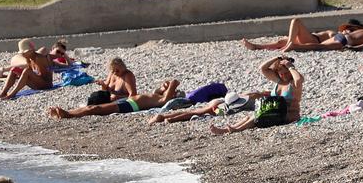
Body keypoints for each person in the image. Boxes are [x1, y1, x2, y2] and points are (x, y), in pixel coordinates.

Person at [211, 56, 304, 133]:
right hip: (276, 112)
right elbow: (262, 68)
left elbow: (298, 79)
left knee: (259, 115)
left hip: (290, 115)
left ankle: (236, 129)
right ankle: (227, 129)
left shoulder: (294, 83)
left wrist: (290, 66)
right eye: (281, 74)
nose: (284, 76)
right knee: (250, 116)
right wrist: (277, 58)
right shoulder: (279, 81)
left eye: (286, 73)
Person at [48, 79, 181, 119]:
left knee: (95, 108)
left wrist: (173, 85)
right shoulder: (158, 94)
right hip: (127, 102)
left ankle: (68, 114)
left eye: (173, 92)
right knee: (91, 107)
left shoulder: (162, 100)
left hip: (130, 106)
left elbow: (173, 84)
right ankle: (68, 111)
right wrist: (165, 86)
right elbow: (161, 88)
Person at [242, 18, 363, 52]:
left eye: (347, 29)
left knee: (295, 21)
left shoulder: (333, 33)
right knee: (281, 41)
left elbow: (327, 44)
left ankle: (290, 44)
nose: (344, 30)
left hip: (314, 40)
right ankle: (257, 46)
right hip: (311, 39)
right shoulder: (338, 34)